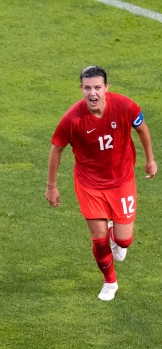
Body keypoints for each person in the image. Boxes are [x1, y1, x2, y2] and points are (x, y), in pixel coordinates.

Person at [46, 65, 157, 301]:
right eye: (87, 88)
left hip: (122, 181)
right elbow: (56, 149)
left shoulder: (126, 107)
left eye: (97, 87)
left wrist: (150, 160)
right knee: (98, 239)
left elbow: (143, 130)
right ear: (81, 89)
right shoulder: (72, 119)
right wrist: (51, 186)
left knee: (124, 240)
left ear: (106, 87)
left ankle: (115, 236)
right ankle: (110, 282)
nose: (92, 93)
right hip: (89, 185)